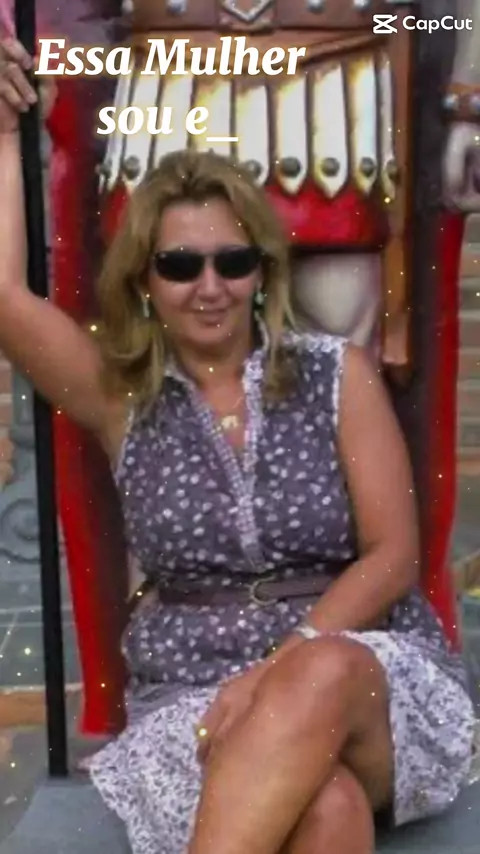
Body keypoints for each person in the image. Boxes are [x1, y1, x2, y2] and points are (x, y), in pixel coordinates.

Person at [0, 37, 476, 854]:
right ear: (144, 280)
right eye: (181, 264)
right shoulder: (123, 397)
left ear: (261, 270)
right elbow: (5, 299)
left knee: (321, 672)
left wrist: (277, 669)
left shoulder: (334, 374)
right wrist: (7, 136)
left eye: (233, 260)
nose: (210, 286)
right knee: (328, 811)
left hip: (359, 666)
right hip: (194, 690)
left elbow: (394, 555)